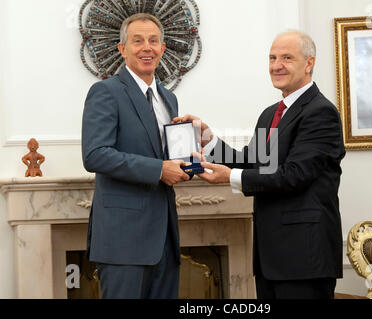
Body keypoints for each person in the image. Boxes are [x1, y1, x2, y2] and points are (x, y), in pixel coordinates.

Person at [174, 31, 346, 299]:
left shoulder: (321, 112)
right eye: (272, 58)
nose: (277, 65)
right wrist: (207, 138)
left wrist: (230, 177)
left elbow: (294, 175)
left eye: (287, 58)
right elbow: (258, 163)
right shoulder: (271, 114)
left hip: (304, 258)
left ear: (309, 63)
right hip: (271, 259)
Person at [81, 13, 190, 299]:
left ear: (163, 49)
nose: (147, 48)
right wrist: (159, 169)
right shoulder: (105, 92)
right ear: (122, 49)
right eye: (138, 41)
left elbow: (167, 156)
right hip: (123, 242)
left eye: (154, 41)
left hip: (165, 240)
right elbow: (95, 155)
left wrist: (189, 162)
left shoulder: (169, 98)